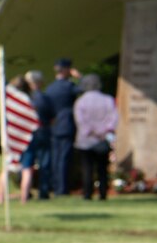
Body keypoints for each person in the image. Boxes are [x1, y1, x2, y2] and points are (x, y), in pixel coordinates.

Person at [73, 72, 119, 200]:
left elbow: (81, 121)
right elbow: (114, 118)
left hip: (86, 140)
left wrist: (92, 131)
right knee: (102, 168)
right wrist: (103, 131)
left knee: (87, 168)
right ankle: (102, 193)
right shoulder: (108, 100)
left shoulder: (80, 102)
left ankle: (87, 194)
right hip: (103, 139)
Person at [44, 60, 81, 196]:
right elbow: (85, 88)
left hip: (54, 126)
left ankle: (55, 185)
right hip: (66, 125)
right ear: (66, 70)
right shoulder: (68, 86)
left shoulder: (50, 88)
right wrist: (79, 77)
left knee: (56, 158)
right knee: (64, 158)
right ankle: (62, 188)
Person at [25, 69, 56, 199]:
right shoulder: (45, 98)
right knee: (44, 162)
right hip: (43, 131)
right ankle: (43, 191)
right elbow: (53, 117)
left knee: (27, 163)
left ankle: (26, 190)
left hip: (29, 133)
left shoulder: (25, 98)